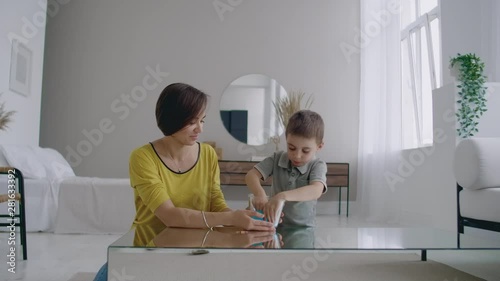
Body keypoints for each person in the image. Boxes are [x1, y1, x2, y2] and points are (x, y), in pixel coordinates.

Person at [93, 83, 274, 281]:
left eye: (202, 120)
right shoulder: (143, 157)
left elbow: (216, 204)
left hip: (196, 249)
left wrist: (249, 220)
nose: (200, 129)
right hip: (148, 250)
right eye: (192, 122)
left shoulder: (208, 154)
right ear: (172, 118)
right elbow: (169, 216)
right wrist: (231, 219)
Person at [245, 110, 327, 227]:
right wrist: (259, 193)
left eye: (305, 151)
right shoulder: (277, 158)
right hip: (273, 224)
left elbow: (316, 190)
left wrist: (282, 196)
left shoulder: (317, 165)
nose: (297, 155)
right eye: (292, 148)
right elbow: (251, 175)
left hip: (303, 229)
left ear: (319, 146)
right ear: (286, 140)